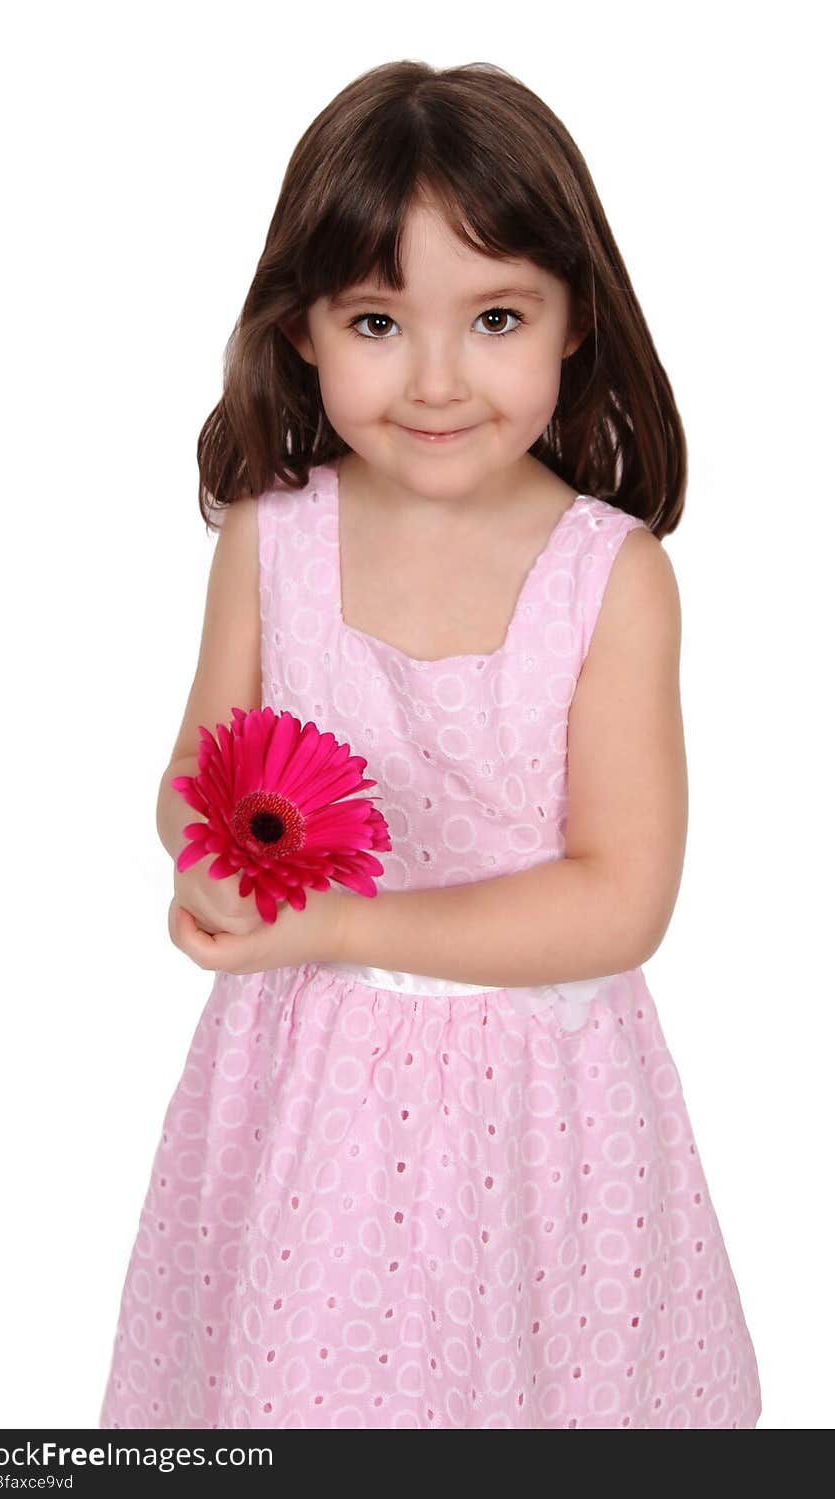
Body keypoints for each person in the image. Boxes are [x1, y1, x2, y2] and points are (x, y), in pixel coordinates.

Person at [98, 59, 762, 1431]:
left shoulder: (609, 578)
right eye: (380, 320)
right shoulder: (274, 538)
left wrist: (335, 925)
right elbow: (197, 775)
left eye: (497, 315)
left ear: (576, 324)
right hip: (308, 1099)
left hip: (542, 1111)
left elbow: (619, 897)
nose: (440, 378)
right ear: (303, 331)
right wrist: (211, 861)